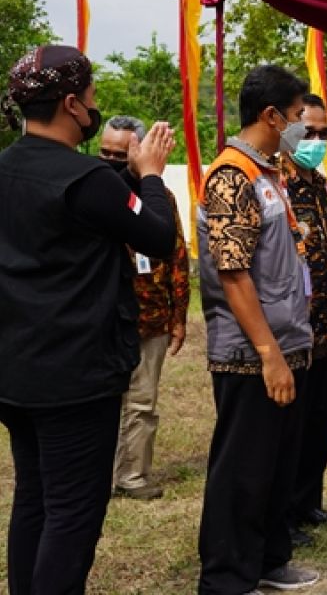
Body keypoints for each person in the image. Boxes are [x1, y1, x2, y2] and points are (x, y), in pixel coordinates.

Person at [0, 45, 177, 595]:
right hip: (74, 376)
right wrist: (149, 175)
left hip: (14, 371)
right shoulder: (85, 179)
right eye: (93, 96)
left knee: (34, 496)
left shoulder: (6, 167)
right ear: (73, 104)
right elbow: (158, 237)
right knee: (74, 512)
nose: (95, 106)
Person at [196, 64, 319, 594]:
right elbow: (233, 272)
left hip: (284, 342)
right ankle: (226, 577)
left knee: (275, 466)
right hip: (250, 353)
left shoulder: (269, 171)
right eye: (296, 117)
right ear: (271, 116)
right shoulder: (231, 176)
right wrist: (268, 352)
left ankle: (270, 558)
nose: (301, 128)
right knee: (242, 470)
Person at [100, 115, 190, 501]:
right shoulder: (93, 194)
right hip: (102, 319)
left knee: (142, 401)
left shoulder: (159, 198)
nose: (110, 162)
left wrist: (179, 315)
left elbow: (177, 256)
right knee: (101, 402)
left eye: (120, 156)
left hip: (150, 318)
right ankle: (96, 478)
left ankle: (133, 475)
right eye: (104, 153)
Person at [282, 94, 327, 544]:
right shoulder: (278, 185)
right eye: (309, 131)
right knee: (294, 427)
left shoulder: (323, 185)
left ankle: (308, 502)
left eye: (323, 132)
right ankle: (283, 515)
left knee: (323, 421)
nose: (317, 140)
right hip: (298, 332)